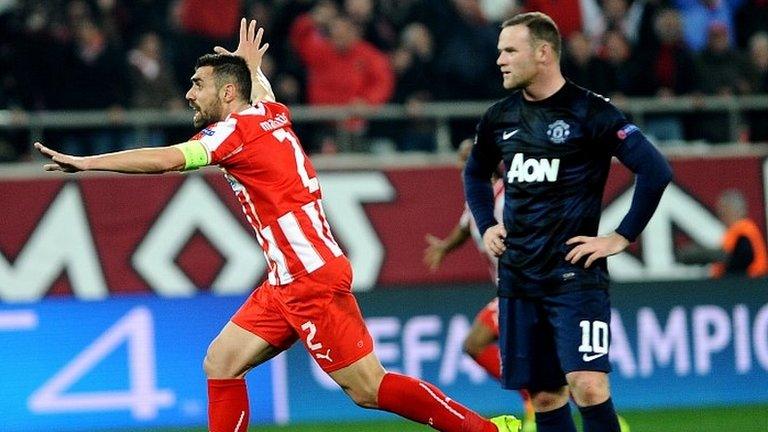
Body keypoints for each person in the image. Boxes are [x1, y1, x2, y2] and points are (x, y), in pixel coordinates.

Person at [35, 19, 520, 432]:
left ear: (226, 93)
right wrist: (249, 64)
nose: (188, 94)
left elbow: (165, 160)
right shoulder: (270, 113)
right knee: (221, 362)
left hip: (308, 279)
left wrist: (87, 162)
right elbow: (257, 89)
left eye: (197, 85)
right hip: (287, 278)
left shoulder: (230, 133)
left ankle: (484, 430)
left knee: (369, 389)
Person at [464, 12, 672, 432]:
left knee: (589, 385)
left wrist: (620, 236)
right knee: (543, 396)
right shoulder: (499, 117)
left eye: (509, 50)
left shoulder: (591, 111)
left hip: (575, 278)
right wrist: (487, 223)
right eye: (499, 50)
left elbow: (655, 170)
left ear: (543, 53)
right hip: (519, 278)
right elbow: (474, 172)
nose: (500, 60)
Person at [425, 139, 536, 431]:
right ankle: (539, 400)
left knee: (477, 343)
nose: (462, 168)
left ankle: (543, 403)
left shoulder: (507, 196)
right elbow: (465, 227)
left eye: (466, 160)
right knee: (487, 348)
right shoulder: (477, 201)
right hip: (510, 292)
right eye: (461, 162)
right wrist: (445, 247)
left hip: (526, 289)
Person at [709, 189, 768, 278]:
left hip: (750, 283)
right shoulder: (738, 231)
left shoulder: (744, 231)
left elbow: (744, 258)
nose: (721, 217)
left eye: (724, 212)